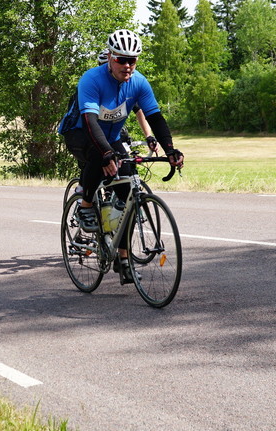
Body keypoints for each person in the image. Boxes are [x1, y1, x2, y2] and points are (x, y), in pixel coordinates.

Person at [58, 29, 183, 283]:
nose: (127, 65)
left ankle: (123, 260)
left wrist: (169, 149)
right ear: (111, 57)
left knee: (128, 197)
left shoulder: (139, 82)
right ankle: (86, 206)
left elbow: (155, 117)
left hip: (111, 135)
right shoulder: (91, 80)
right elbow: (91, 121)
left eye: (132, 60)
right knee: (98, 156)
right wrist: (106, 154)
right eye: (121, 60)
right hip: (80, 132)